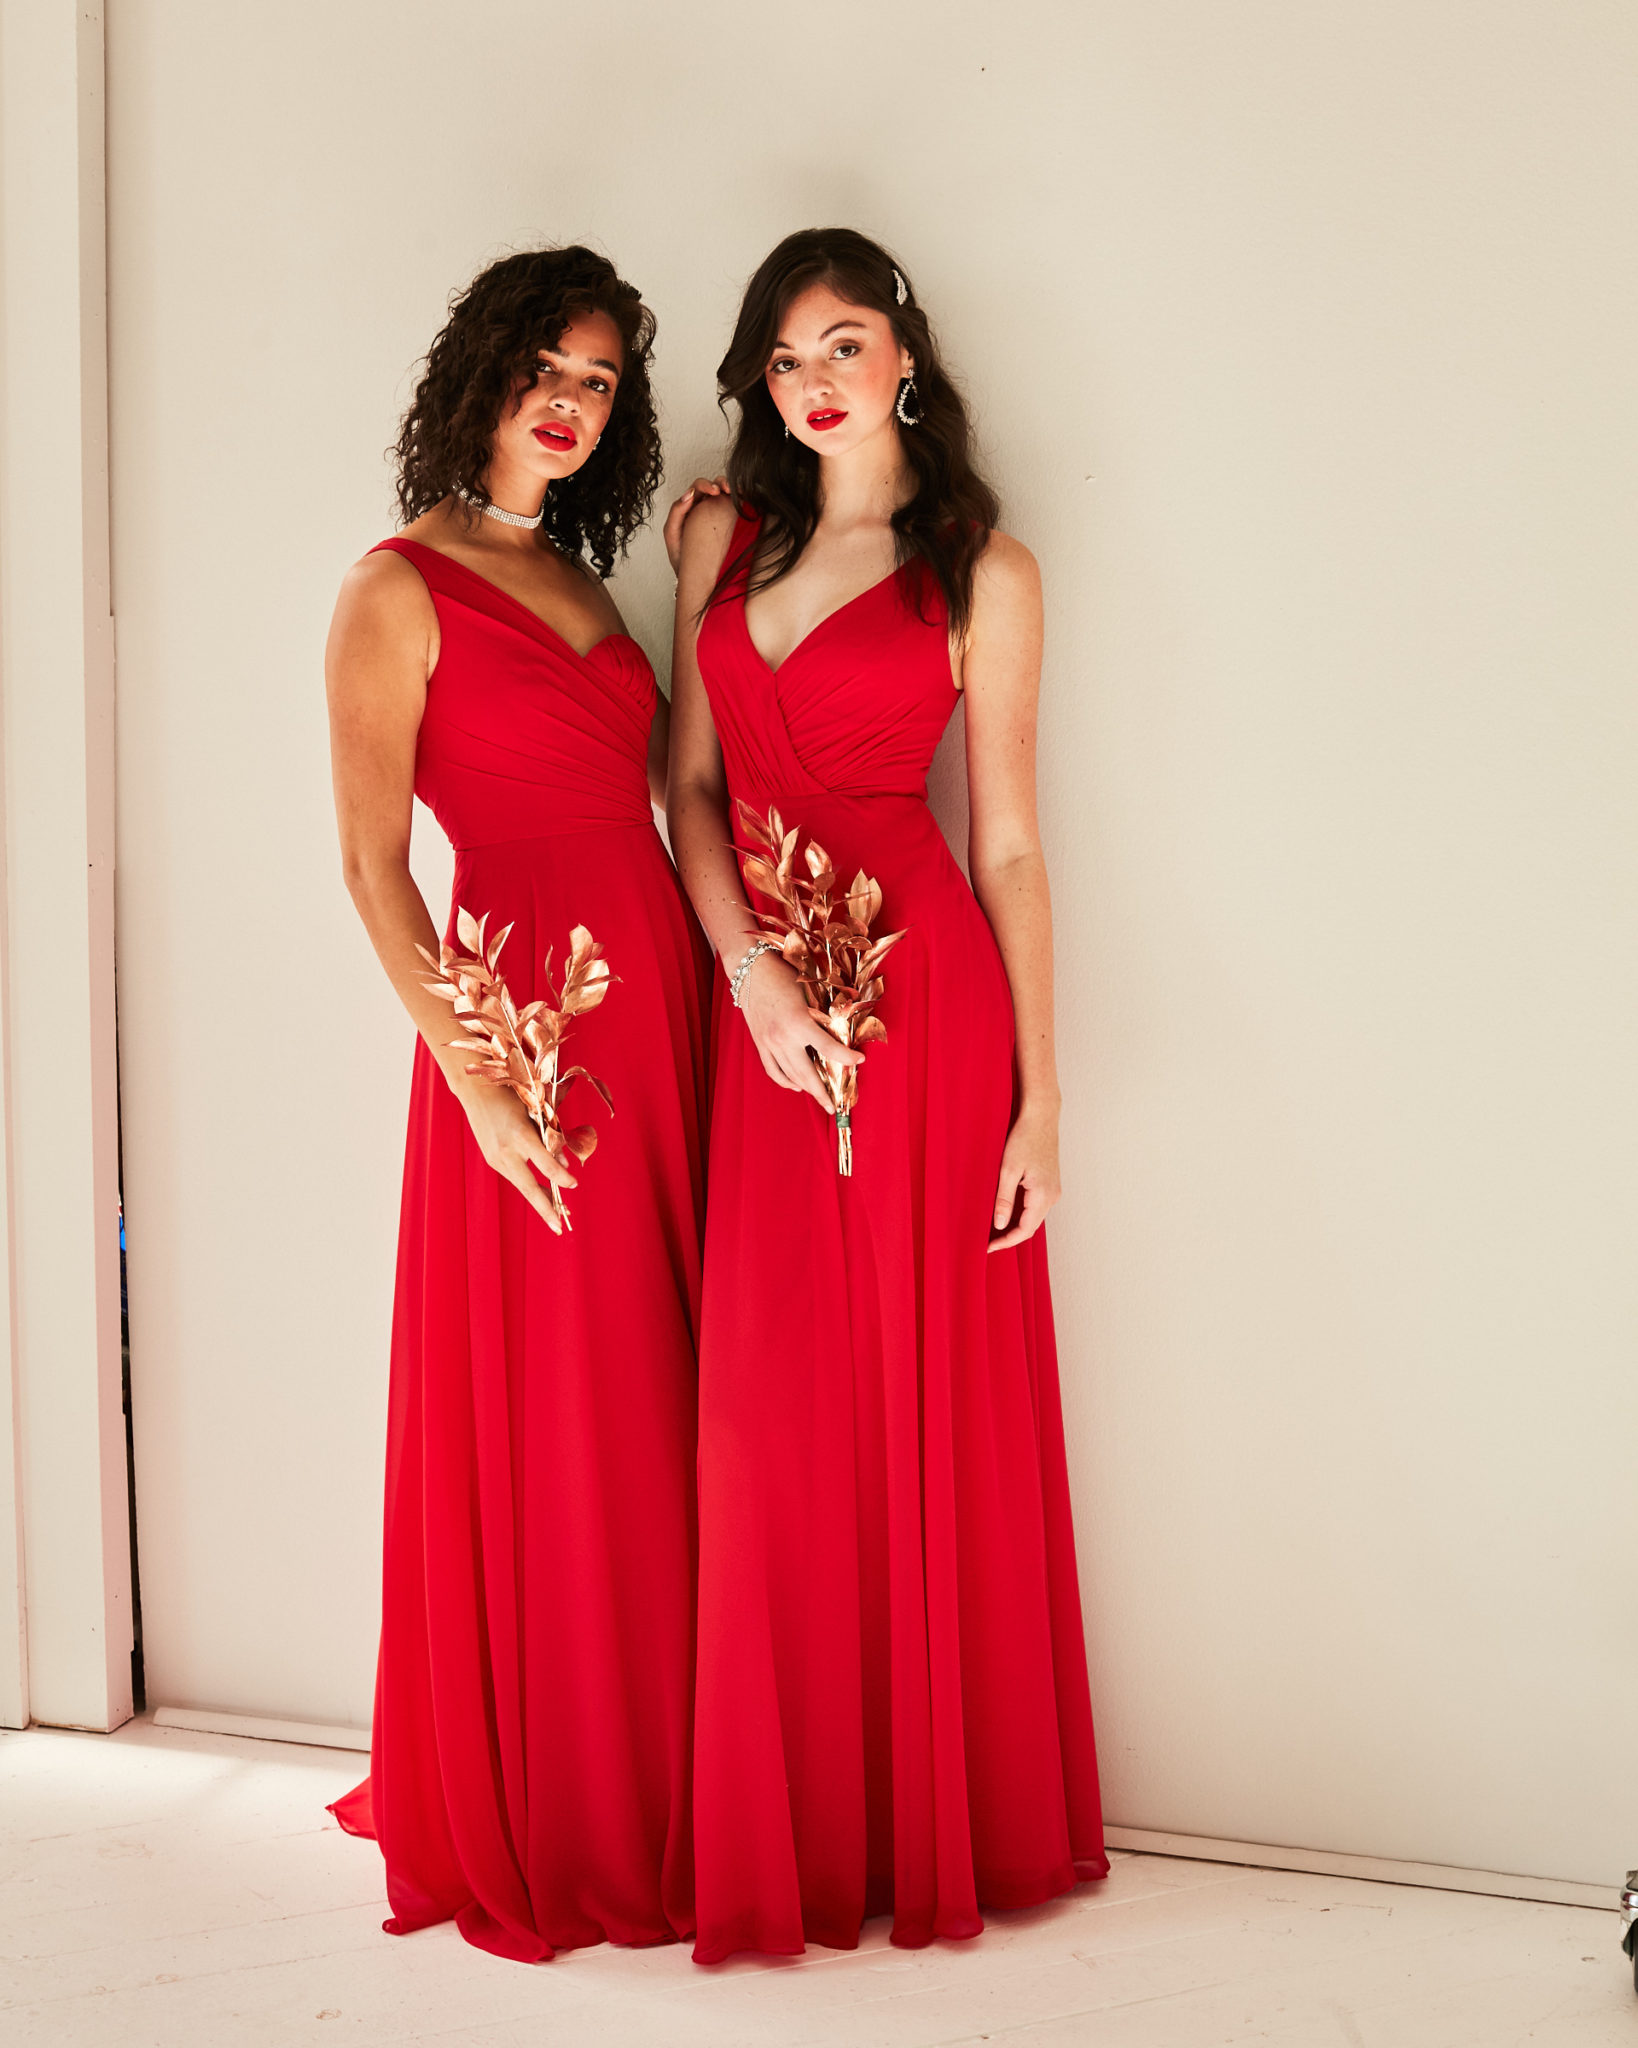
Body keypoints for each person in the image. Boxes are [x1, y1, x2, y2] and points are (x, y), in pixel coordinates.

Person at [668, 227, 1108, 1962]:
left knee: (919, 1403)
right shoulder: (723, 530)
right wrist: (748, 976)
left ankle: (933, 1814)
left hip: (924, 1014)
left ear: (904, 355)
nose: (814, 381)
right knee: (767, 1410)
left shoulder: (982, 570)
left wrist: (1043, 1097)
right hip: (764, 1010)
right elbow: (686, 793)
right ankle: (789, 1825)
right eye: (785, 358)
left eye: (842, 344)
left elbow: (1002, 838)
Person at [324, 245, 709, 1962]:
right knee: (570, 1401)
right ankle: (561, 1791)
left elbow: (663, 783)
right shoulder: (394, 586)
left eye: (600, 380)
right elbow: (370, 864)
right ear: (478, 372)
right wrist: (475, 1082)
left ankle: (678, 1766)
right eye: (545, 367)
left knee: (669, 1385)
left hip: (660, 1003)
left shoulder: (586, 583)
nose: (569, 399)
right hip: (527, 1021)